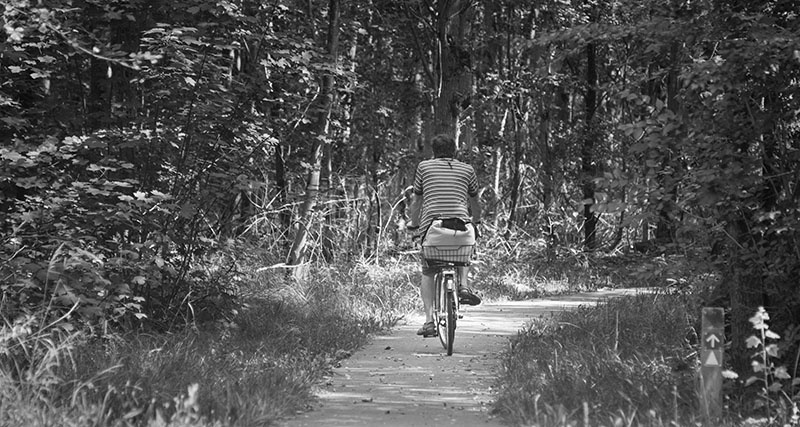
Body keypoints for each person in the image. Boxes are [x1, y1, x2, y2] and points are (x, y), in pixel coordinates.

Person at [407, 133, 482, 338]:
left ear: (433, 152)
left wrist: (414, 224)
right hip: (462, 229)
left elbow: (416, 201)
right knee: (463, 251)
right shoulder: (467, 169)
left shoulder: (424, 167)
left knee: (428, 272)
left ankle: (429, 321)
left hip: (433, 230)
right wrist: (476, 221)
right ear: (455, 151)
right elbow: (475, 203)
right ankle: (464, 286)